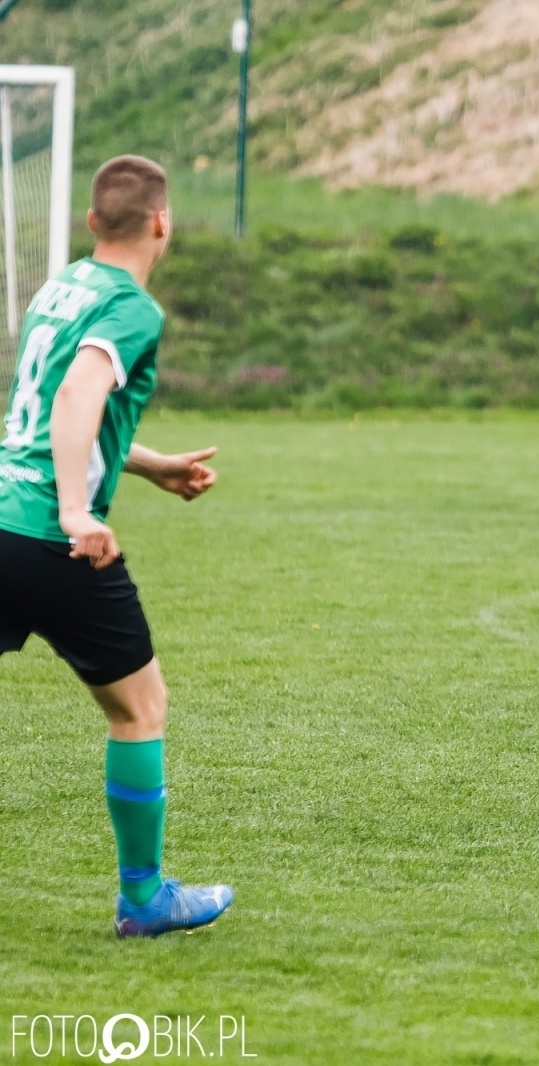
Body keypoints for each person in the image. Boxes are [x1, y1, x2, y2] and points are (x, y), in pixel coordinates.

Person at [0, 155, 233, 937]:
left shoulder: (60, 285)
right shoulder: (133, 308)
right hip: (49, 538)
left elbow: (50, 418)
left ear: (93, 223)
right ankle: (144, 897)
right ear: (163, 222)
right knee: (140, 708)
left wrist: (152, 465)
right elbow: (78, 394)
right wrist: (75, 510)